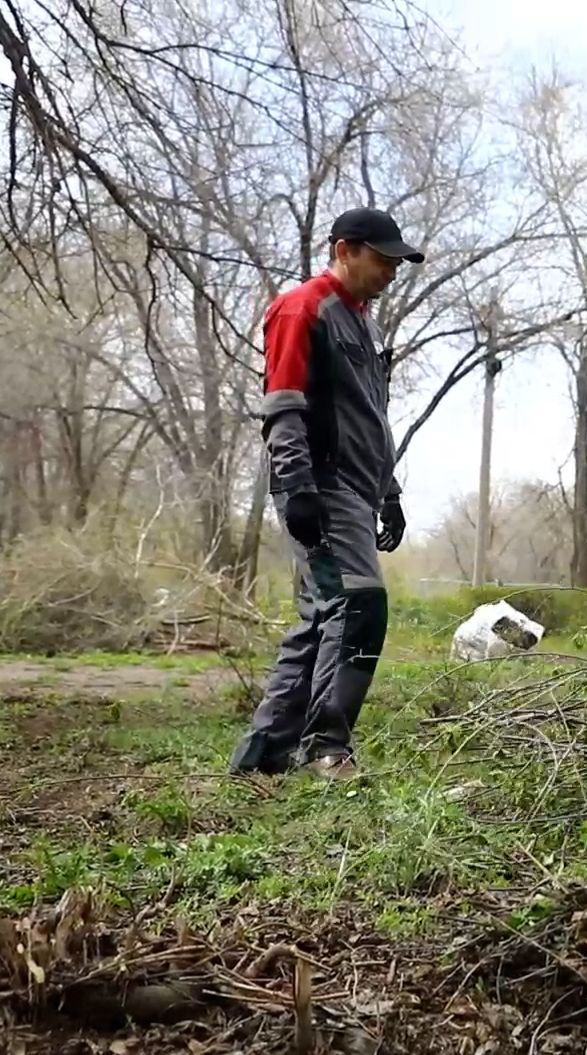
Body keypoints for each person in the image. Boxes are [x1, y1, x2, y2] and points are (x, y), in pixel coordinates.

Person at [228, 208, 423, 781]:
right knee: (360, 603)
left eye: (395, 262)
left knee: (322, 617)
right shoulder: (302, 308)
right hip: (322, 486)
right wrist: (296, 484)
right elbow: (283, 402)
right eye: (382, 259)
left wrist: (389, 494)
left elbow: (370, 419)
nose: (391, 271)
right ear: (345, 249)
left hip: (359, 493)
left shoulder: (363, 322)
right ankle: (326, 749)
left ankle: (262, 759)